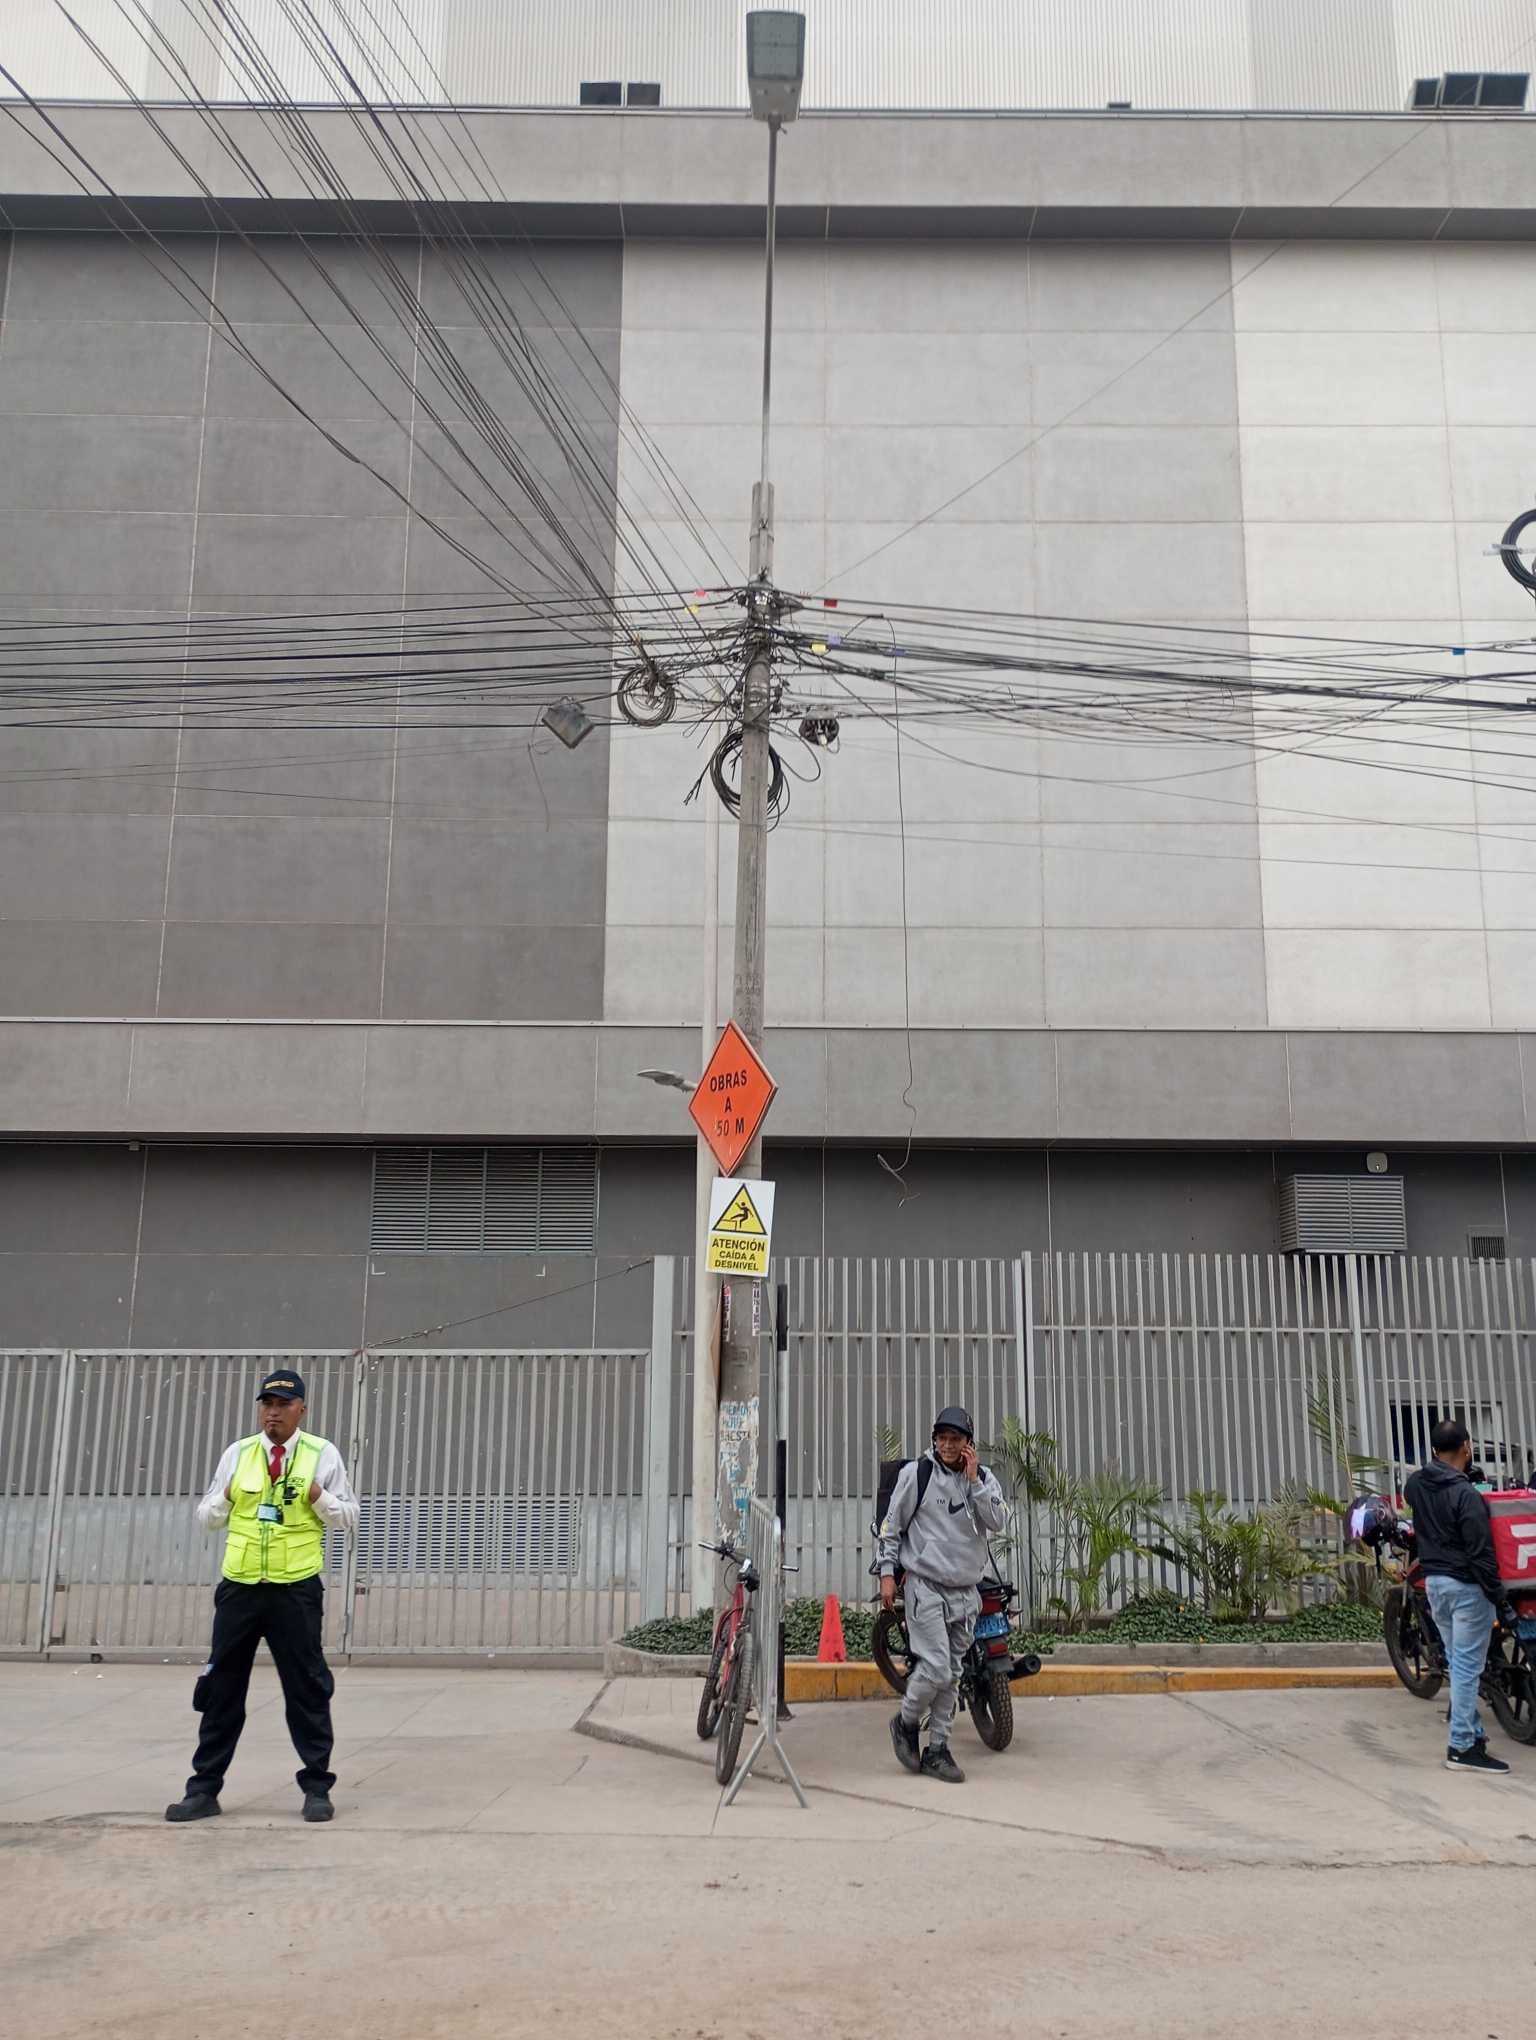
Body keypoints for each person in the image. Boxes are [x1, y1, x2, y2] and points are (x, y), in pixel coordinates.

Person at [165, 1369, 359, 1823]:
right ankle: (203, 1790)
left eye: (283, 1404)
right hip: (241, 1589)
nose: (273, 1412)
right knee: (221, 1690)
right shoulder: (239, 1454)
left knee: (307, 1688)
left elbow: (348, 1516)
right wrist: (228, 1495)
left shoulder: (322, 1454)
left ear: (301, 1410)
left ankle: (316, 1788)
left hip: (295, 1590)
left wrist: (317, 1496)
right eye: (267, 1404)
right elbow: (206, 1517)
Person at [877, 1405, 1008, 1785]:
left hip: (966, 1591)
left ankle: (938, 1749)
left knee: (951, 1674)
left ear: (969, 1444)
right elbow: (891, 1527)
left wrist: (975, 1482)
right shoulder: (917, 1475)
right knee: (935, 1667)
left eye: (956, 1439)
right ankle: (905, 1722)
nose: (948, 1445)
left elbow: (998, 1521)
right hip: (926, 1585)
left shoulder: (984, 1479)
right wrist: (887, 1573)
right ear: (934, 1440)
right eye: (942, 1438)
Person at [1404, 1418, 1510, 1777]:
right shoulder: (1467, 1496)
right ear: (1467, 1446)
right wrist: (1500, 1598)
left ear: (1434, 1450)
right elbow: (1481, 1554)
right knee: (1466, 1668)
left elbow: (1415, 1498)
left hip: (1435, 1586)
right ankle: (1462, 1747)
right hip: (1467, 1589)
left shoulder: (1416, 1484)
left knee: (1457, 1662)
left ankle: (1474, 1735)